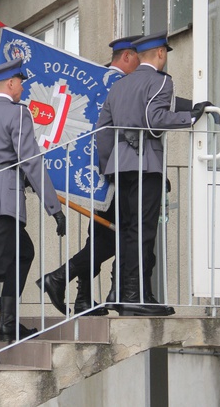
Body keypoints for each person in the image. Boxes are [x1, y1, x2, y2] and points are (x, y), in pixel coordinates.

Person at [0, 58, 66, 366]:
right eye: (21, 82)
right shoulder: (18, 114)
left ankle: (8, 322)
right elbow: (30, 160)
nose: (23, 87)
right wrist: (53, 207)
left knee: (23, 252)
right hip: (5, 198)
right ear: (10, 84)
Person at [96, 31, 212, 316]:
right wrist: (190, 117)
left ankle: (126, 293)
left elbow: (103, 132)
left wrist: (108, 167)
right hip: (146, 163)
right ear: (160, 53)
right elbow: (154, 121)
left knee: (126, 230)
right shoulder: (161, 81)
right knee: (143, 231)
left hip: (119, 166)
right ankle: (136, 296)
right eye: (166, 53)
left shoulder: (120, 86)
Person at [37, 35, 142, 317]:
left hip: (91, 173)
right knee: (113, 237)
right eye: (139, 60)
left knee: (99, 237)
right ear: (128, 57)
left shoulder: (99, 83)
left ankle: (83, 298)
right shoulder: (121, 85)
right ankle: (60, 277)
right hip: (112, 174)